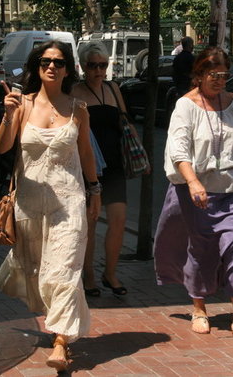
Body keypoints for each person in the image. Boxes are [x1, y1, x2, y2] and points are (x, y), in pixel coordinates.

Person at [0, 40, 101, 372]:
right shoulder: (22, 104)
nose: (51, 66)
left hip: (69, 203)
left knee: (63, 271)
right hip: (29, 206)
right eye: (44, 61)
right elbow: (2, 147)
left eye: (58, 62)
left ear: (68, 69)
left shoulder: (78, 109)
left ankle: (60, 343)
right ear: (36, 67)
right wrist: (8, 115)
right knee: (43, 273)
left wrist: (95, 190)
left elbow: (85, 153)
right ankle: (60, 327)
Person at [154, 46, 233, 339]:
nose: (220, 81)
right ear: (200, 74)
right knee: (201, 250)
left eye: (224, 75)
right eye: (214, 75)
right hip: (199, 193)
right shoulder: (185, 105)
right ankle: (199, 309)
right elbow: (178, 150)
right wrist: (193, 182)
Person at [72, 41, 144, 298]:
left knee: (119, 219)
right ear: (83, 66)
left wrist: (140, 154)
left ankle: (110, 273)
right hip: (88, 167)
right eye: (93, 66)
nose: (99, 71)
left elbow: (125, 121)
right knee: (89, 223)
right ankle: (89, 275)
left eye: (103, 65)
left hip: (114, 165)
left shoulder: (113, 89)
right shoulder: (75, 92)